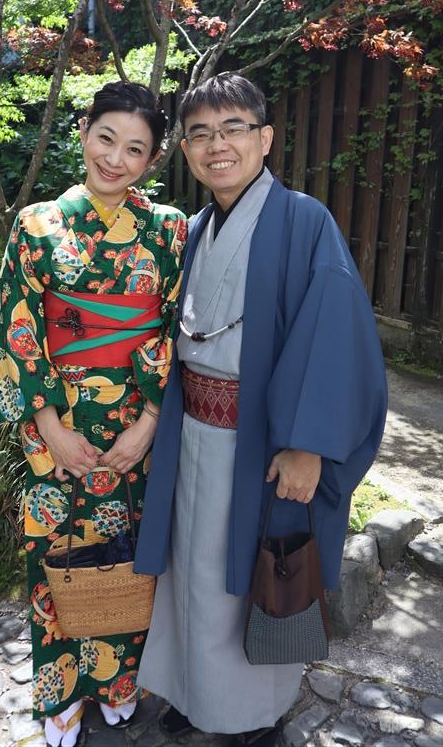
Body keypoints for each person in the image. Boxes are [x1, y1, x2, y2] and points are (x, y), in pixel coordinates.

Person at [134, 73, 387, 747]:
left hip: (262, 443)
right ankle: (193, 691)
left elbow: (336, 335)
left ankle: (254, 715)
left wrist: (309, 445)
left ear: (265, 137)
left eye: (233, 129)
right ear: (185, 149)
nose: (216, 145)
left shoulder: (304, 221)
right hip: (190, 429)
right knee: (190, 572)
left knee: (250, 574)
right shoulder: (192, 230)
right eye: (199, 134)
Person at [0, 81, 186, 747]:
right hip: (58, 428)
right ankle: (61, 693)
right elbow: (14, 325)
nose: (115, 159)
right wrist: (49, 428)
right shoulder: (37, 224)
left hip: (138, 430)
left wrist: (149, 423)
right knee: (58, 558)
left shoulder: (169, 229)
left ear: (152, 159)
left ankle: (119, 683)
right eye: (106, 138)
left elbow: (179, 330)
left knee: (131, 556)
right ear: (83, 131)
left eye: (135, 149)